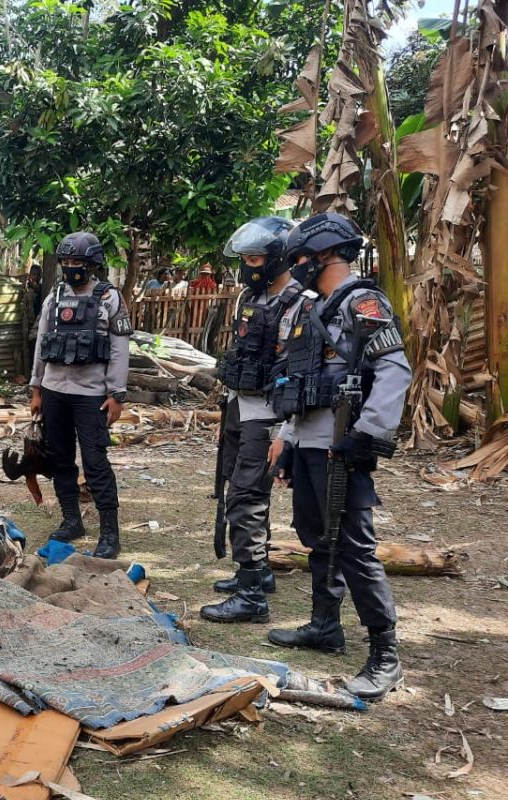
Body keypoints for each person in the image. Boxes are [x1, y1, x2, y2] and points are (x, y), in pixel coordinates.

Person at [266, 212, 410, 701]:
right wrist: (287, 438)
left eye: (302, 257)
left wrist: (368, 433)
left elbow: (394, 368)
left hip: (342, 446)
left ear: (325, 254)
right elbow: (299, 382)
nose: (298, 265)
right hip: (308, 442)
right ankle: (325, 627)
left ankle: (385, 656)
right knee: (317, 539)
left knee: (355, 549)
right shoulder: (314, 307)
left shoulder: (363, 302)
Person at [199, 216, 297, 625]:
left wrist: (284, 432)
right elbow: (240, 359)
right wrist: (227, 407)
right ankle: (258, 572)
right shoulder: (249, 299)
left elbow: (298, 373)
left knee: (247, 498)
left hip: (268, 416)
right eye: (244, 259)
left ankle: (252, 596)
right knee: (238, 490)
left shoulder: (298, 302)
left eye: (255, 258)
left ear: (277, 258)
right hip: (240, 407)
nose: (248, 266)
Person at [29, 232, 132, 558]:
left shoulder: (109, 299)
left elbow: (119, 349)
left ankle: (110, 535)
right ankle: (71, 520)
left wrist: (117, 394)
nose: (71, 268)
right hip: (54, 392)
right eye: (66, 263)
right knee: (60, 459)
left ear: (92, 265)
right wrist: (36, 388)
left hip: (92, 396)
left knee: (96, 462)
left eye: (78, 263)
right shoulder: (54, 298)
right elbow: (42, 344)